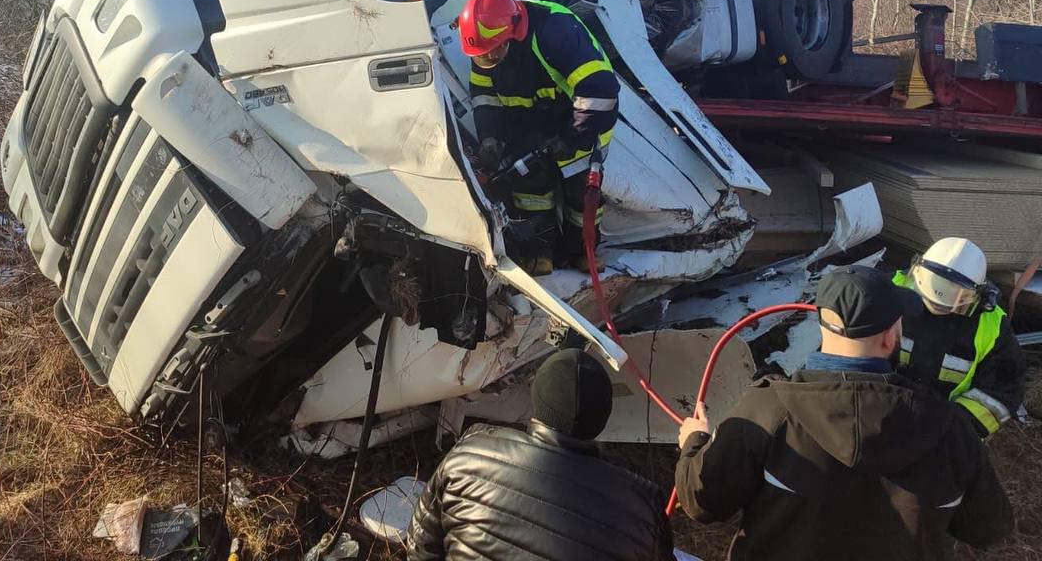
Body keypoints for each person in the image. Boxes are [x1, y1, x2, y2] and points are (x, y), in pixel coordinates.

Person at [674, 265, 1013, 561]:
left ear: (821, 324)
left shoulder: (767, 410)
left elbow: (702, 502)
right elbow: (988, 528)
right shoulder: (950, 430)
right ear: (890, 337)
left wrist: (694, 442)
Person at [406, 348, 673, 561]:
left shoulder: (468, 454)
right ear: (603, 418)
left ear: (537, 401)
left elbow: (420, 545)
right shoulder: (643, 509)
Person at [458, 0, 619, 275]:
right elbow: (484, 95)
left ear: (512, 33)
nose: (488, 61)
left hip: (578, 122)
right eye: (483, 56)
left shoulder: (555, 29)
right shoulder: (485, 43)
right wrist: (489, 137)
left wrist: (573, 136)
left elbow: (599, 89)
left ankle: (583, 252)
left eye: (494, 54)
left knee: (581, 193)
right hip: (528, 124)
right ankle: (540, 254)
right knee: (530, 188)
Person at [893, 236, 1025, 437]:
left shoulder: (992, 326)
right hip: (880, 411)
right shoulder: (887, 289)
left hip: (944, 429)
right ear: (917, 271)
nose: (938, 303)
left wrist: (952, 431)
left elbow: (1003, 391)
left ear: (975, 294)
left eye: (955, 294)